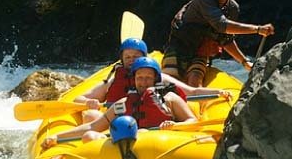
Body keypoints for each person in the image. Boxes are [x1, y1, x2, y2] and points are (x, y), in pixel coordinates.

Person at [42, 56, 197, 148]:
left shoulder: (170, 99)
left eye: (148, 78)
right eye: (139, 78)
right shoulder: (123, 103)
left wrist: (176, 126)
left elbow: (193, 121)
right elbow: (93, 126)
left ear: (156, 79)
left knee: (142, 133)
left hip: (162, 145)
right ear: (134, 79)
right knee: (90, 136)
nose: (143, 82)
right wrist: (58, 137)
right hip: (126, 149)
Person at [162, 0, 275, 87]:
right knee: (169, 82)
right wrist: (257, 29)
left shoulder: (232, 8)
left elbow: (226, 39)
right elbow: (222, 25)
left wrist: (244, 61)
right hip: (178, 48)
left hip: (199, 53)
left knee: (195, 80)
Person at [74, 37, 231, 122]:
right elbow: (78, 98)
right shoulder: (115, 79)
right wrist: (88, 103)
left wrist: (218, 92)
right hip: (120, 122)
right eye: (127, 57)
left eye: (136, 56)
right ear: (121, 59)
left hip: (156, 125)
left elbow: (192, 92)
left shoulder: (157, 77)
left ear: (144, 57)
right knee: (90, 116)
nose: (131, 60)